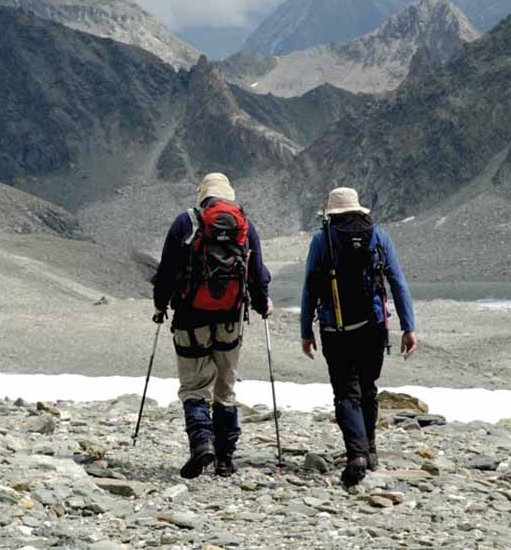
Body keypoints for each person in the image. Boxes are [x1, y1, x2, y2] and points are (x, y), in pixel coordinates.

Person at [152, 172, 272, 479]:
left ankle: (201, 443)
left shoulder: (185, 222)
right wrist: (262, 304)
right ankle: (225, 459)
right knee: (225, 387)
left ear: (202, 196)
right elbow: (257, 273)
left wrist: (160, 304)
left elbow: (166, 270)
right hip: (231, 318)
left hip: (190, 317)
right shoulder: (244, 224)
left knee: (194, 387)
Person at [300, 187, 417, 487]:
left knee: (346, 392)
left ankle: (356, 456)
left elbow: (310, 287)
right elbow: (398, 282)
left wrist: (305, 331)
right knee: (368, 387)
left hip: (334, 328)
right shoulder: (378, 236)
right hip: (374, 326)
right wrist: (408, 327)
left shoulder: (321, 239)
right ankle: (371, 450)